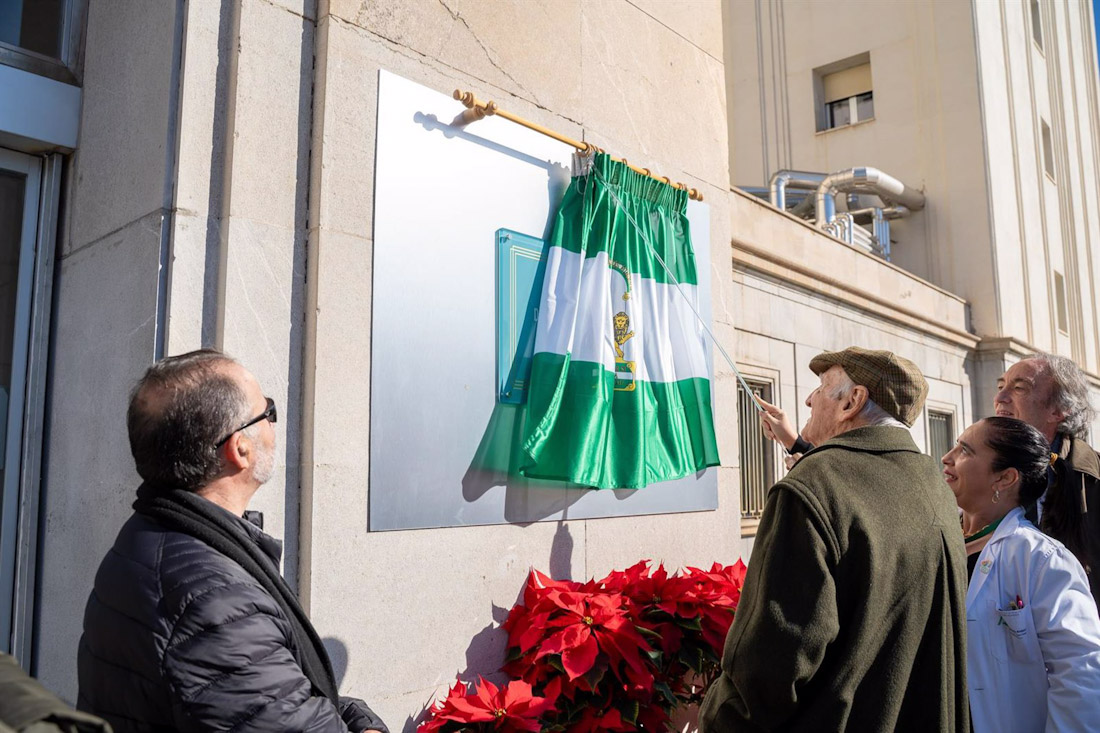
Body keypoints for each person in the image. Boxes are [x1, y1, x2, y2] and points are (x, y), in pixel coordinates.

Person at [78, 349, 387, 733]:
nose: (274, 424)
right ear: (239, 448)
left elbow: (266, 700)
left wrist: (348, 711)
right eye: (268, 412)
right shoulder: (215, 603)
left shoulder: (152, 535)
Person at [699, 347, 969, 732]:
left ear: (852, 402)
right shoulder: (933, 482)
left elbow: (769, 670)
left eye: (821, 388)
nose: (808, 399)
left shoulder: (810, 488)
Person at [942, 416, 1100, 731]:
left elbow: (1081, 673)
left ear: (1004, 478)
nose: (947, 457)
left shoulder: (1041, 560)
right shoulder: (937, 542)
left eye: (965, 450)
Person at [994, 353, 1099, 607]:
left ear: (1059, 410)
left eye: (1019, 388)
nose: (1000, 398)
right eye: (1000, 386)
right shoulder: (977, 470)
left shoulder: (1092, 479)